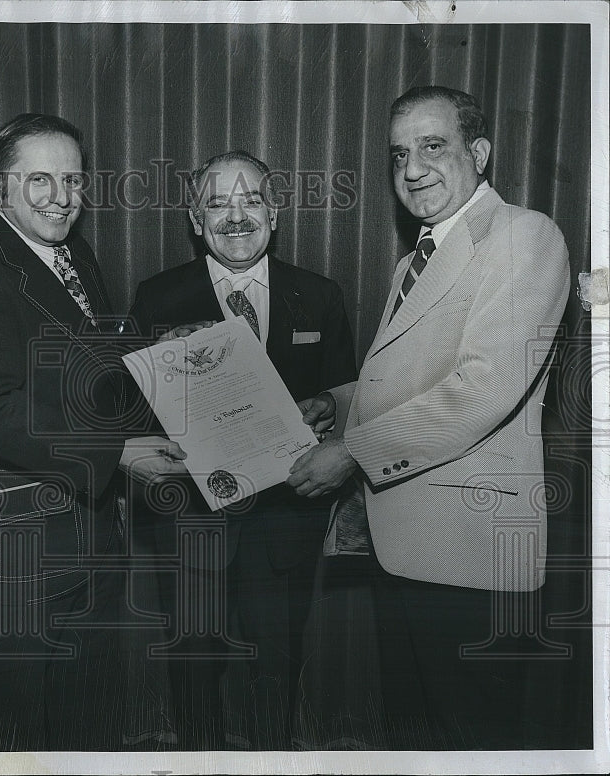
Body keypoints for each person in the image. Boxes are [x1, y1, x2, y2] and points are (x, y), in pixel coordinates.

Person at [287, 86, 571, 748]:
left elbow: (484, 387)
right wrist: (339, 400)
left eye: (432, 146)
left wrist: (353, 451)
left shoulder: (524, 235)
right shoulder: (417, 256)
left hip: (468, 559)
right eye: (398, 154)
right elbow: (413, 381)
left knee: (469, 744)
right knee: (417, 742)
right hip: (406, 551)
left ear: (480, 152)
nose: (411, 169)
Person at [0, 113, 187, 750]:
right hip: (17, 547)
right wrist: (119, 452)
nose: (62, 197)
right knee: (19, 732)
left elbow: (76, 367)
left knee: (80, 717)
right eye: (39, 180)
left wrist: (157, 354)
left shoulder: (71, 251)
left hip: (89, 530)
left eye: (73, 179)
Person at [127, 150, 357, 749]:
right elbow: (124, 409)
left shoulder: (321, 296)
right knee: (194, 667)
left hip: (286, 520)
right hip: (192, 519)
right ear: (195, 219)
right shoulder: (157, 299)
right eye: (217, 203)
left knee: (278, 666)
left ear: (274, 213)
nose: (236, 216)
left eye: (250, 199)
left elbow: (348, 395)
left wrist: (330, 406)